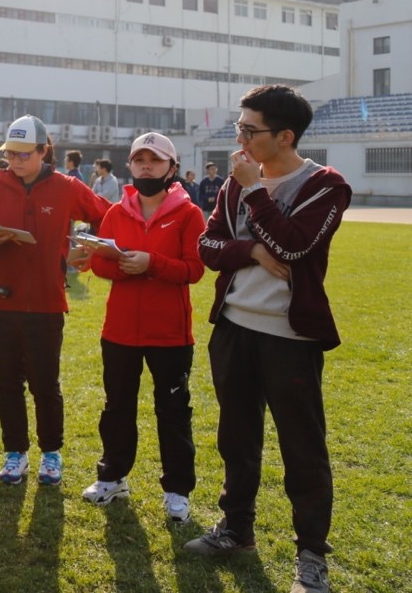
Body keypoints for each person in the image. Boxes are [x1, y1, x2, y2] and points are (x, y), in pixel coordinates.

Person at [184, 85, 351, 593]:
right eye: (239, 127)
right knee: (236, 439)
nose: (239, 139)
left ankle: (311, 556)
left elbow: (294, 248)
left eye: (249, 130)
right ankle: (237, 530)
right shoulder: (237, 181)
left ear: (285, 136)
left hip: (289, 336)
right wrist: (252, 252)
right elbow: (208, 246)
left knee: (303, 447)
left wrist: (256, 193)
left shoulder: (325, 185)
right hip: (234, 327)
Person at [0, 115, 109, 486]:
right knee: (7, 383)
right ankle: (15, 453)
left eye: (24, 153)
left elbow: (107, 216)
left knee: (45, 385)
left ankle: (51, 453)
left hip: (47, 305)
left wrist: (90, 250)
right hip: (0, 305)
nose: (16, 160)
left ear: (44, 151)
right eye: (11, 153)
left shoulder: (66, 187)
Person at [73, 133, 204, 525]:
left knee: (173, 412)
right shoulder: (116, 212)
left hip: (170, 334)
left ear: (172, 168)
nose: (147, 166)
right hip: (120, 331)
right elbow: (100, 263)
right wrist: (123, 265)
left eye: (155, 160)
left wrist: (153, 263)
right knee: (117, 408)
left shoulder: (189, 213)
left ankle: (177, 491)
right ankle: (112, 477)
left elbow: (194, 269)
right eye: (139, 159)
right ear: (130, 165)